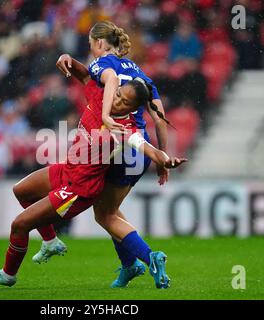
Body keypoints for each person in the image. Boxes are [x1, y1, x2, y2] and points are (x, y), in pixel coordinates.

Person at [0, 78, 187, 289]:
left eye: (126, 103)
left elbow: (148, 149)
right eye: (119, 95)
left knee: (20, 225)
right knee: (21, 191)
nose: (118, 102)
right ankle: (50, 242)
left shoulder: (126, 129)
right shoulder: (100, 96)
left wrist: (166, 160)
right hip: (68, 168)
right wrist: (67, 60)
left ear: (134, 108)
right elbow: (86, 74)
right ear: (116, 89)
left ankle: (8, 275)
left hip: (79, 189)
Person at [32, 21, 171, 288]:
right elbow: (160, 119)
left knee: (105, 215)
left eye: (90, 45)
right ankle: (130, 266)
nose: (91, 50)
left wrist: (106, 114)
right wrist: (161, 157)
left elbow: (103, 80)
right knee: (110, 211)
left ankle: (148, 258)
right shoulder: (143, 75)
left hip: (117, 145)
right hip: (139, 151)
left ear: (99, 43)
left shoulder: (102, 63)